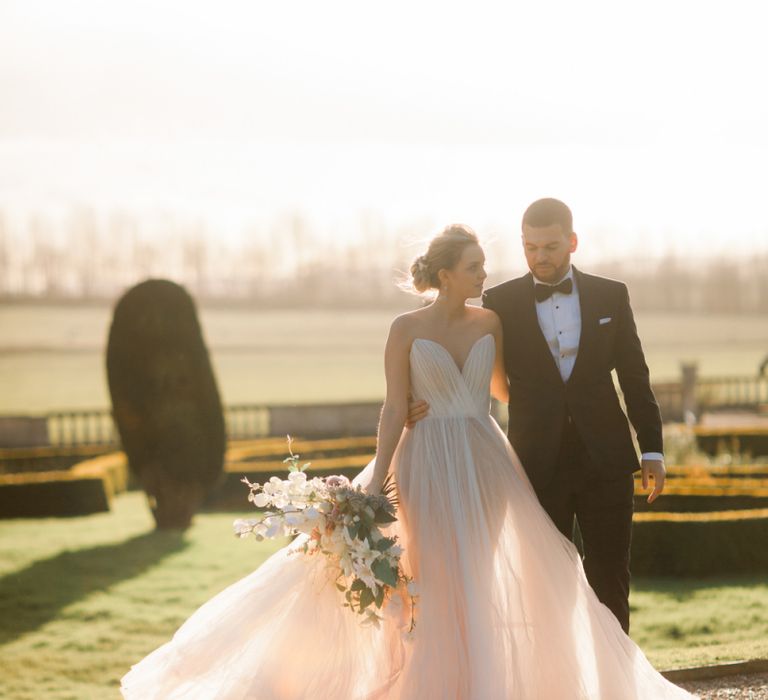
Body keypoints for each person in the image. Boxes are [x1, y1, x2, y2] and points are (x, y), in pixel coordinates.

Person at [121, 224, 695, 699]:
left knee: (477, 570)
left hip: (486, 458)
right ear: (446, 275)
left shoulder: (491, 321)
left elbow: (511, 389)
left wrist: (565, 398)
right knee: (429, 574)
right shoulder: (404, 328)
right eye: (475, 266)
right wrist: (378, 474)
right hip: (422, 460)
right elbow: (394, 407)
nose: (485, 275)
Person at [409, 199, 665, 634]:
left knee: (611, 579)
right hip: (534, 465)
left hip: (606, 459)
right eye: (530, 247)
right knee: (546, 588)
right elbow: (459, 351)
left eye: (549, 246)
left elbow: (635, 377)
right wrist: (425, 399)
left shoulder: (611, 295)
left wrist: (653, 449)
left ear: (572, 242)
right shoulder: (498, 303)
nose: (539, 257)